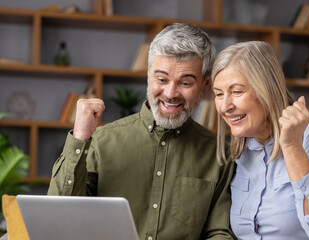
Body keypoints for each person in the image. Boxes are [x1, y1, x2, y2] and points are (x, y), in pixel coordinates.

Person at [48, 23, 236, 240]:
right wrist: (80, 138)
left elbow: (219, 232)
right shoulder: (100, 142)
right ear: (148, 76)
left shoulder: (220, 155)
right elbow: (60, 215)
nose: (171, 93)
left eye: (185, 82)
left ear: (205, 85)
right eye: (162, 79)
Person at [211, 41, 309, 240]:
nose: (224, 106)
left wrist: (292, 147)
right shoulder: (241, 147)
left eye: (237, 91)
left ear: (267, 89)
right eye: (218, 94)